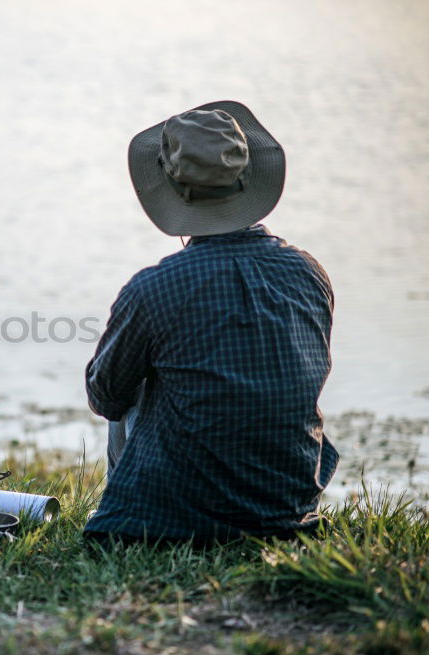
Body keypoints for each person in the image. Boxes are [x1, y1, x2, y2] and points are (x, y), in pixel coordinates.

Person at [84, 101, 338, 547]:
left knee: (131, 383)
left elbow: (106, 398)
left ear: (173, 191)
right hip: (286, 509)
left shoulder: (152, 289)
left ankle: (127, 511)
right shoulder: (310, 273)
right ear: (248, 177)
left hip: (176, 520)